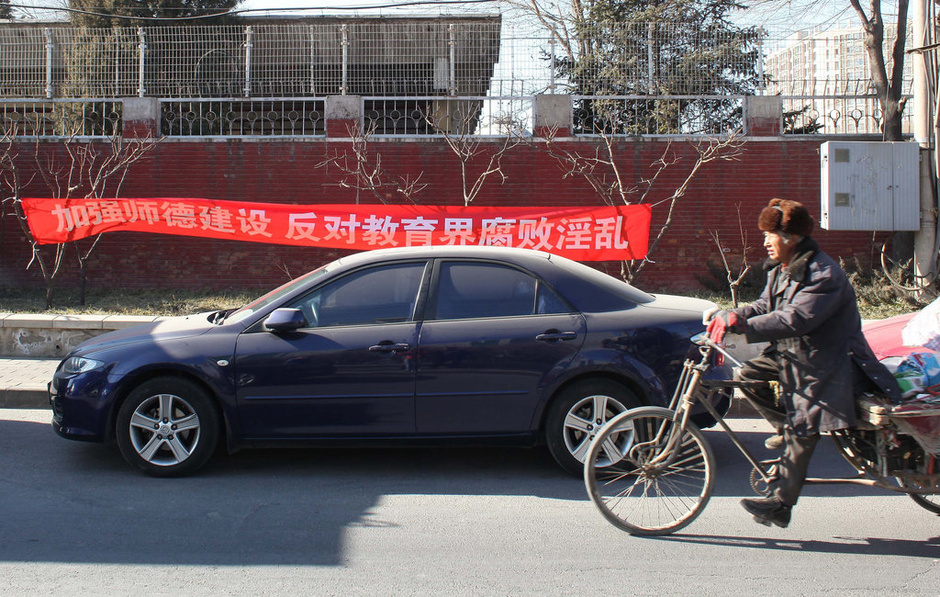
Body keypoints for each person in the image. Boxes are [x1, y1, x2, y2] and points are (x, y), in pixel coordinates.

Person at [704, 198, 901, 528]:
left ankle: (780, 504)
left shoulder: (824, 274)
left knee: (802, 427)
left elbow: (796, 319)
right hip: (795, 354)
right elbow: (764, 306)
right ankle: (784, 428)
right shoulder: (783, 268)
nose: (765, 242)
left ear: (791, 238)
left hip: (830, 363)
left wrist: (742, 326)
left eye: (770, 236)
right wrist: (734, 314)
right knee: (749, 375)